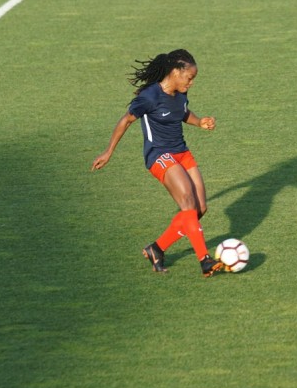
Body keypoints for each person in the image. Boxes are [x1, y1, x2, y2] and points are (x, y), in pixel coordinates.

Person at [91, 49, 226, 277]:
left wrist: (199, 122)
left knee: (200, 209)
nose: (191, 83)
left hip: (182, 152)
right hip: (159, 155)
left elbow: (183, 113)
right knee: (187, 201)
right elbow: (125, 121)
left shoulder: (180, 93)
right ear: (175, 72)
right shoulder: (150, 96)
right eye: (189, 77)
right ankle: (204, 260)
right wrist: (108, 152)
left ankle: (157, 248)